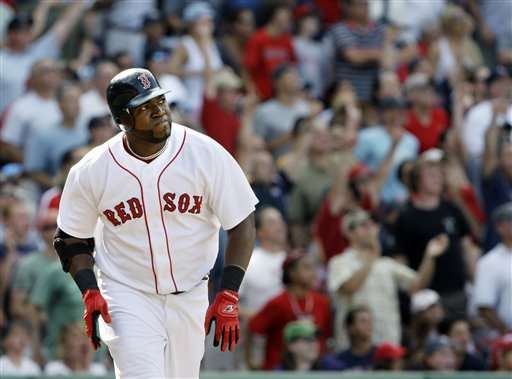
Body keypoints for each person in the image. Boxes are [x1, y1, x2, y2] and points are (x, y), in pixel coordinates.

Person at [54, 68, 258, 379]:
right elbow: (71, 239)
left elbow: (242, 222)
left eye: (160, 101)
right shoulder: (93, 170)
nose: (159, 112)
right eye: (146, 107)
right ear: (123, 119)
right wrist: (89, 291)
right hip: (126, 293)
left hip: (190, 292)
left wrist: (229, 291)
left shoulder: (205, 153)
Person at [327, 208, 448, 348]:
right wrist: (372, 255)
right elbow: (349, 287)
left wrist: (430, 257)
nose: (371, 229)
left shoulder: (386, 264)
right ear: (349, 232)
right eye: (364, 225)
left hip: (387, 342)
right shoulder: (339, 262)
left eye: (372, 224)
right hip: (352, 347)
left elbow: (418, 285)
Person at [246, 252, 331, 370]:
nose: (313, 273)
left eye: (314, 268)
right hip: (279, 370)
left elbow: (326, 336)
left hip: (313, 370)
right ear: (291, 273)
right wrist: (250, 362)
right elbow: (252, 328)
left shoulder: (322, 302)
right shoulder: (278, 303)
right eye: (307, 268)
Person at [473, 203, 512, 334]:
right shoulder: (489, 262)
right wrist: (507, 334)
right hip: (505, 340)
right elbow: (484, 307)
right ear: (500, 227)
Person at [319, 306, 374, 371]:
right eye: (363, 321)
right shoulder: (339, 360)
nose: (369, 325)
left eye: (370, 321)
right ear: (350, 328)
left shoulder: (381, 356)